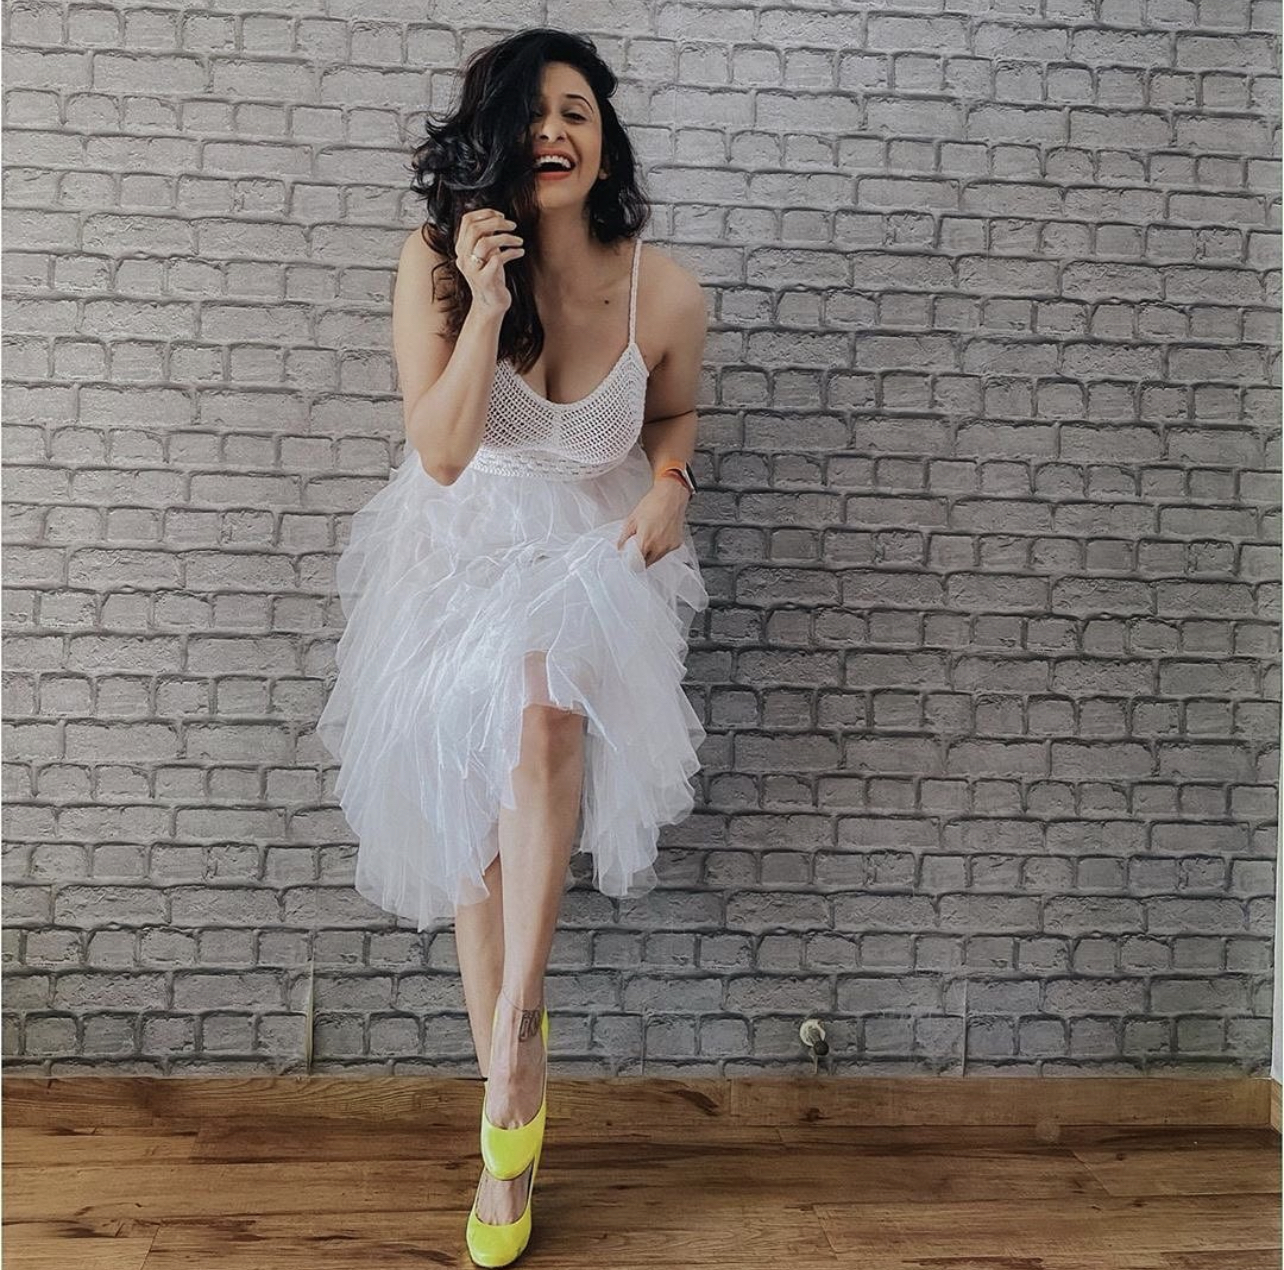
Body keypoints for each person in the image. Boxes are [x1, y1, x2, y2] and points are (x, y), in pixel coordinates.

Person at [315, 27, 710, 1268]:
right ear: (496, 138)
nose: (555, 130)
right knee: (471, 832)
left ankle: (517, 1034)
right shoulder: (436, 264)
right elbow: (439, 450)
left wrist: (673, 483)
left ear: (606, 143)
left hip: (589, 560)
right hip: (453, 556)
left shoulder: (665, 290)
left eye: (577, 111)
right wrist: (488, 304)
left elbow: (676, 409)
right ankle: (511, 1144)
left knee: (545, 707)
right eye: (533, 113)